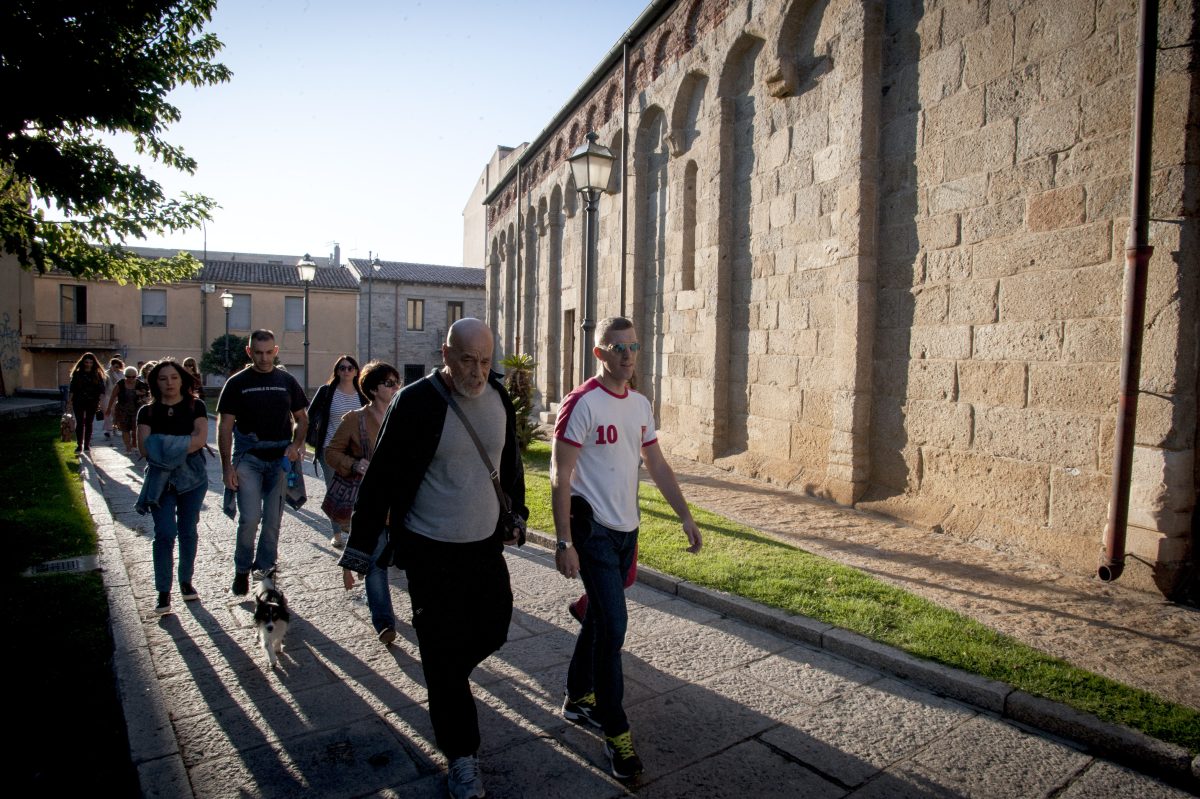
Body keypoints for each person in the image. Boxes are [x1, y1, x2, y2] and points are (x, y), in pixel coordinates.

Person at [339, 318, 525, 799]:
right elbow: (380, 477)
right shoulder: (416, 401)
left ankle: (446, 678)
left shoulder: (498, 397)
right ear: (446, 354)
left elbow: (509, 463)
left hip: (483, 545)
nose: (478, 370)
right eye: (468, 359)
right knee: (442, 655)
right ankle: (462, 756)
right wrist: (358, 548)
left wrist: (516, 513)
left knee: (495, 626)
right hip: (429, 549)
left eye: (486, 360)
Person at [552, 316, 702, 780]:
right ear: (599, 354)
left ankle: (578, 698)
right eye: (618, 348)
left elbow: (654, 461)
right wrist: (563, 542)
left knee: (599, 617)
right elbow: (559, 475)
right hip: (592, 529)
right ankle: (616, 734)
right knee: (613, 627)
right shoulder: (581, 404)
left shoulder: (639, 404)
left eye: (633, 346)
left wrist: (684, 513)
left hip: (627, 531)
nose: (628, 355)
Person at [216, 329, 308, 596]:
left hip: (279, 460)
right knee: (250, 518)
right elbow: (224, 426)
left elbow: (303, 417)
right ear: (249, 352)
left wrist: (296, 445)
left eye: (269, 353)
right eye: (258, 352)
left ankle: (265, 569)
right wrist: (226, 467)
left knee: (272, 521)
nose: (264, 358)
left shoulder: (286, 380)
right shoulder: (236, 383)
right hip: (249, 458)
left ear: (276, 351)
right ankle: (242, 568)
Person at [326, 361, 400, 642]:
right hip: (372, 504)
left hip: (403, 503)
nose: (396, 388)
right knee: (376, 562)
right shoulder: (354, 419)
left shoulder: (404, 416)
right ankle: (384, 623)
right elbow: (331, 452)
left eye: (397, 382)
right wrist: (354, 464)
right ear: (373, 389)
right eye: (389, 383)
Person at [135, 360, 209, 615]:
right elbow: (145, 449)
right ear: (155, 382)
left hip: (193, 479)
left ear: (182, 380)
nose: (169, 383)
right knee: (165, 533)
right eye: (163, 378)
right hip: (160, 481)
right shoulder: (146, 412)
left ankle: (185, 581)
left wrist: (162, 444)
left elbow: (199, 440)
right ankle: (163, 590)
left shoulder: (195, 406)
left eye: (174, 377)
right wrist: (181, 444)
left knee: (188, 530)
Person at [307, 354, 368, 548]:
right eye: (342, 368)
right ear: (337, 371)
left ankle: (354, 530)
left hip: (356, 452)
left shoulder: (362, 393)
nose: (346, 371)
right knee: (334, 490)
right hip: (330, 449)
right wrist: (301, 442)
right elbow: (310, 416)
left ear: (356, 371)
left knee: (357, 492)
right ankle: (337, 533)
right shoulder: (327, 391)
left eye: (350, 367)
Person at [67, 352, 107, 454]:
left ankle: (87, 445)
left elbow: (102, 390)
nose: (88, 364)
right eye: (86, 362)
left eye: (90, 362)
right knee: (80, 423)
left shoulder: (97, 374)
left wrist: (102, 403)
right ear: (83, 362)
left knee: (89, 423)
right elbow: (72, 389)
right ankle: (79, 445)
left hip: (92, 401)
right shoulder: (77, 374)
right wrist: (69, 402)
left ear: (94, 363)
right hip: (78, 400)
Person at [107, 366, 144, 454]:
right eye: (128, 376)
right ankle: (128, 447)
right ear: (125, 376)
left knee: (135, 429)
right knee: (125, 430)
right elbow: (113, 396)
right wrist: (108, 408)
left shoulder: (140, 384)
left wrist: (141, 393)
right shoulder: (120, 384)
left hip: (136, 410)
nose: (130, 379)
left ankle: (134, 445)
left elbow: (147, 394)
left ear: (136, 375)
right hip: (122, 410)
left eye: (133, 377)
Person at [102, 357, 125, 441]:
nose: (116, 368)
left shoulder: (121, 374)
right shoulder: (106, 374)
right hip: (107, 396)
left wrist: (115, 374)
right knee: (107, 413)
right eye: (114, 366)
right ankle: (108, 430)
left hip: (118, 396)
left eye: (118, 366)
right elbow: (103, 385)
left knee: (115, 414)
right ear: (111, 366)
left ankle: (115, 429)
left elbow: (121, 382)